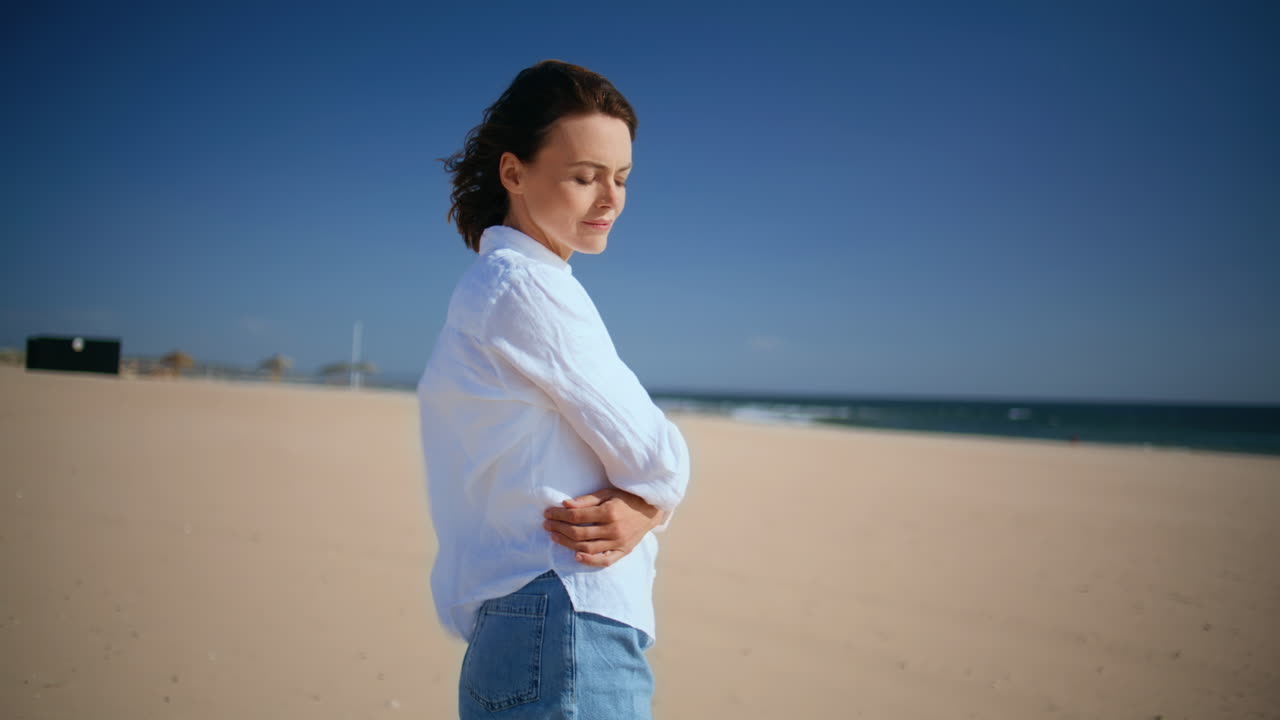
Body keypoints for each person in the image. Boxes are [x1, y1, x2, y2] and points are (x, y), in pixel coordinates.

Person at [416, 59, 691, 719]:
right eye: (583, 177)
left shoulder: (493, 287)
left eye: (621, 178)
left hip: (517, 625)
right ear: (514, 172)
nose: (609, 200)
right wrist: (652, 501)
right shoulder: (526, 287)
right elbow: (657, 456)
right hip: (566, 620)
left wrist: (647, 504)